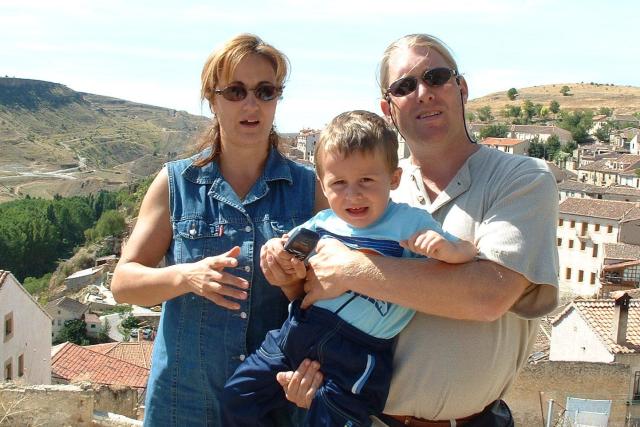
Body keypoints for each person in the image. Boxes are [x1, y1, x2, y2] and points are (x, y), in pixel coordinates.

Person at [263, 34, 560, 426]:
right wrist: (287, 280)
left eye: (436, 77)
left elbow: (489, 295)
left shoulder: (520, 178)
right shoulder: (371, 188)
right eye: (404, 86)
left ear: (461, 88)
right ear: (388, 108)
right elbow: (319, 291)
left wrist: (355, 269)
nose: (423, 93)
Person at [110, 34, 320, 426]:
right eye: (236, 91)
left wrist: (295, 284)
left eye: (265, 91)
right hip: (184, 403)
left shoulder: (311, 191)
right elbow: (123, 281)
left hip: (273, 404)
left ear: (278, 98)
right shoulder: (176, 184)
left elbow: (330, 297)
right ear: (213, 99)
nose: (251, 104)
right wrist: (186, 276)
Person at [222, 110, 477, 426]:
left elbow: (468, 251)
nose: (352, 194)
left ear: (393, 179)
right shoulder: (321, 223)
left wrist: (448, 250)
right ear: (323, 185)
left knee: (334, 418)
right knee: (238, 397)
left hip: (357, 353)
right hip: (297, 332)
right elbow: (294, 262)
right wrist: (278, 252)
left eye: (366, 180)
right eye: (339, 182)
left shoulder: (411, 222)